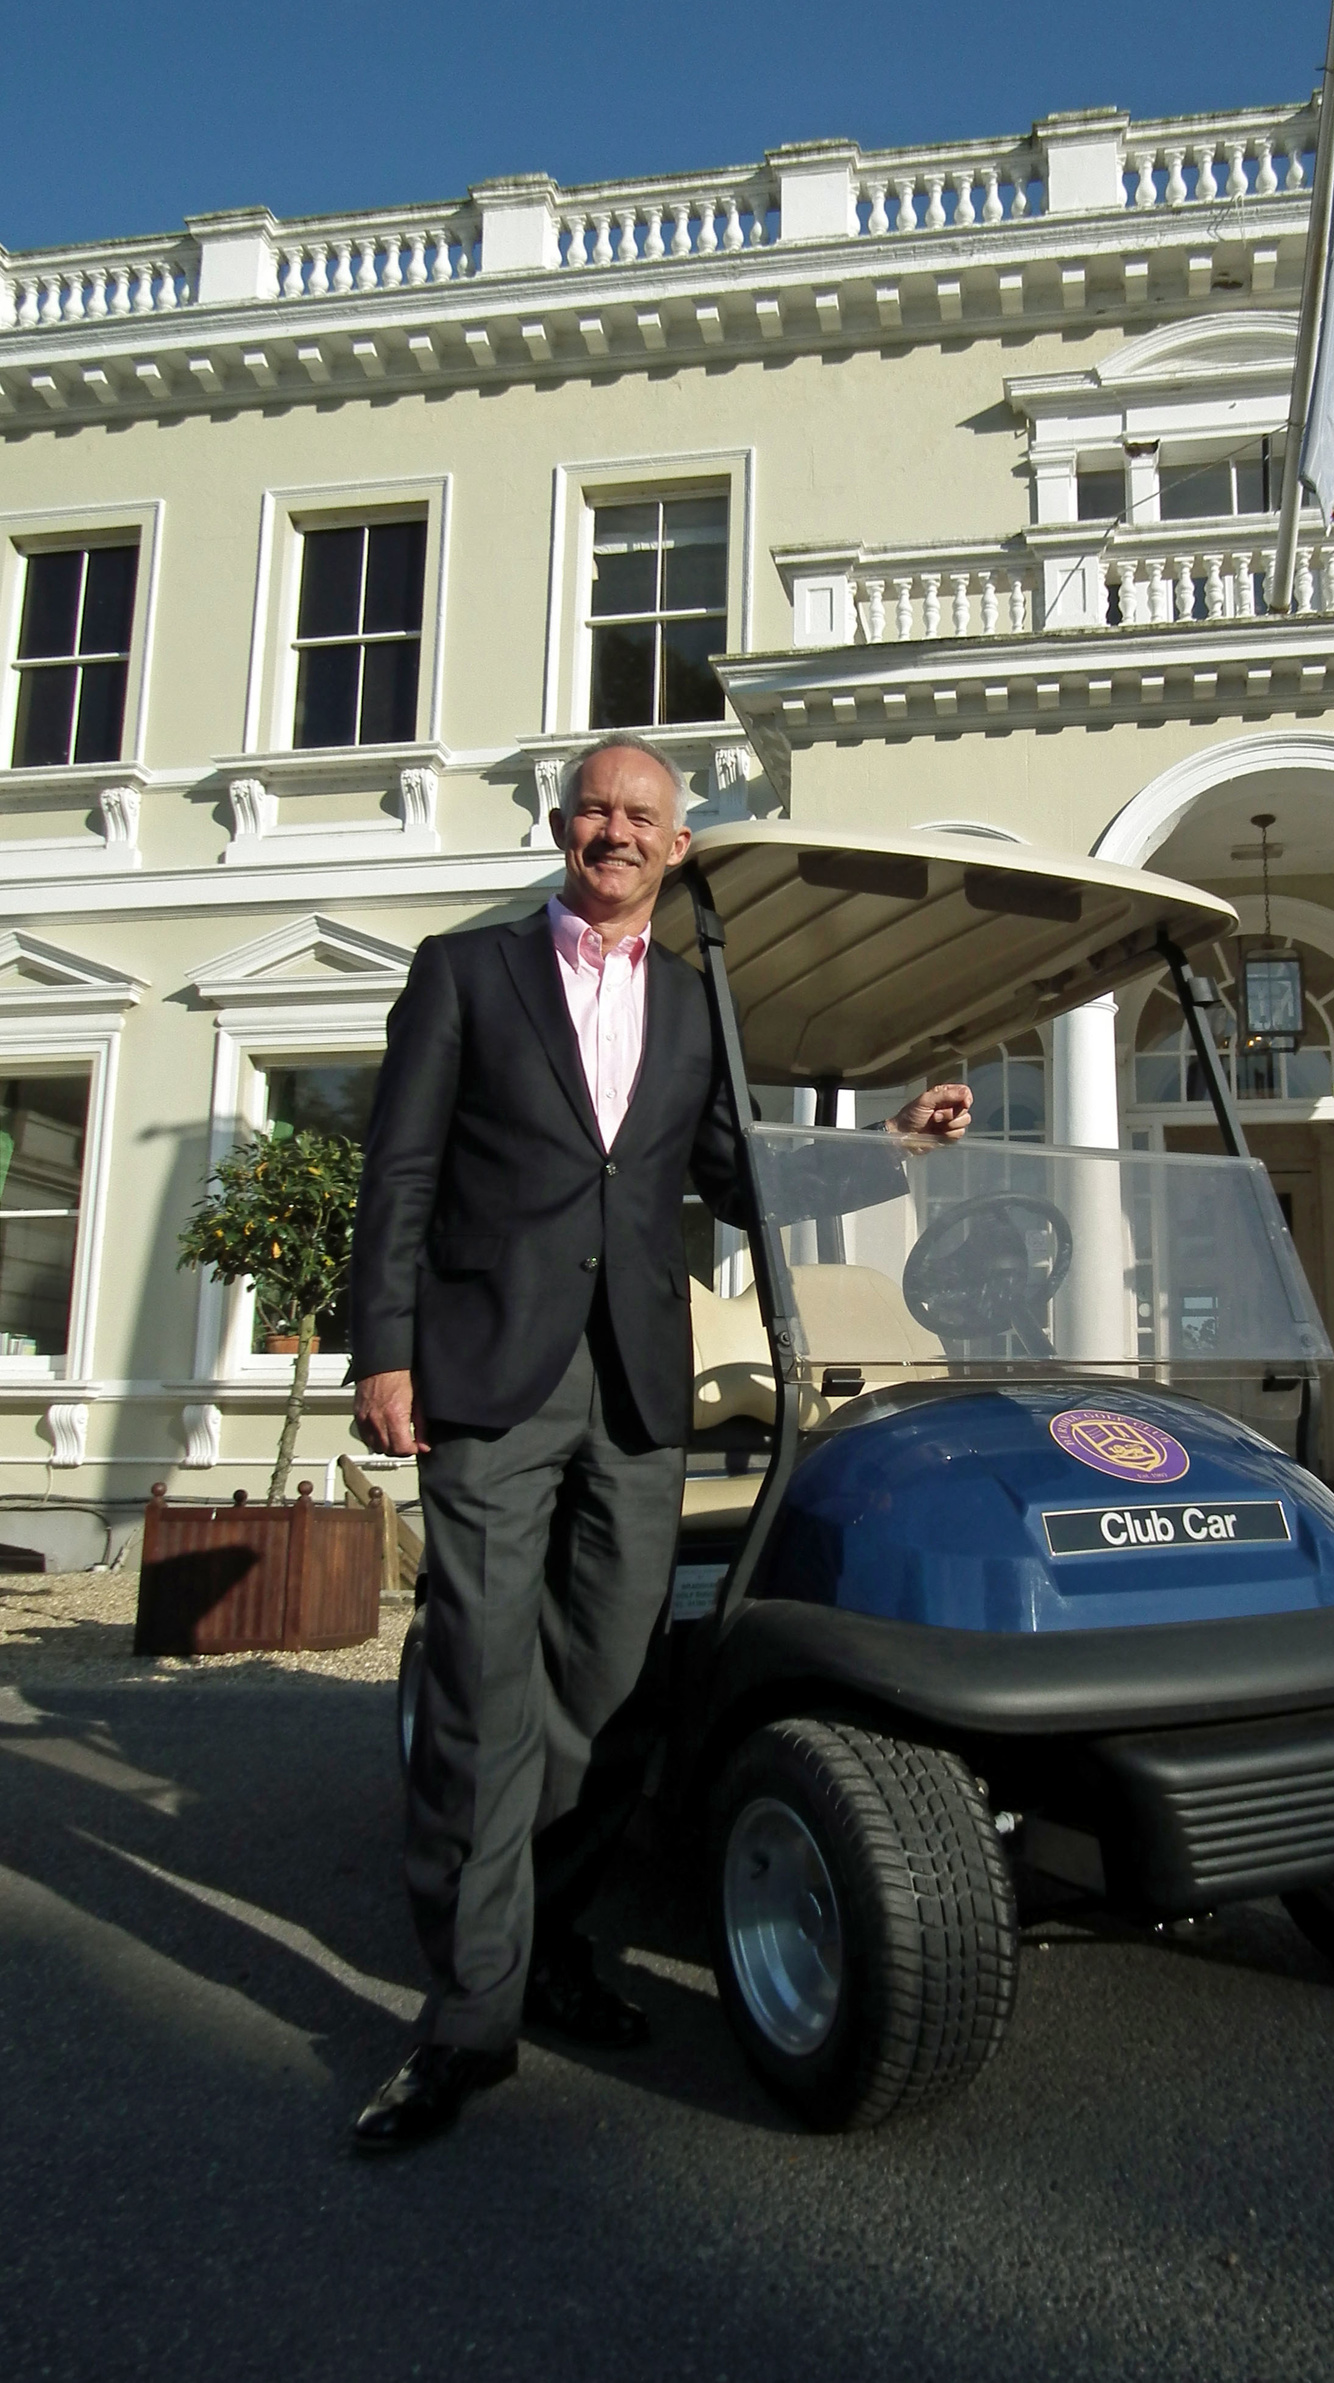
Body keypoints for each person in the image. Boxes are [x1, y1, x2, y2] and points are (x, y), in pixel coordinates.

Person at [347, 733, 971, 2152]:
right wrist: (382, 1351)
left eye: (642, 817)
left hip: (639, 1389)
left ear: (677, 849)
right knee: (479, 1690)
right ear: (562, 828)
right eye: (595, 811)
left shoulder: (695, 1004)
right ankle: (464, 2014)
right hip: (489, 1384)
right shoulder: (467, 973)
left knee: (616, 1686)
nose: (615, 832)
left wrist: (893, 1147)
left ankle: (552, 1943)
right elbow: (402, 1171)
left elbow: (735, 1175)